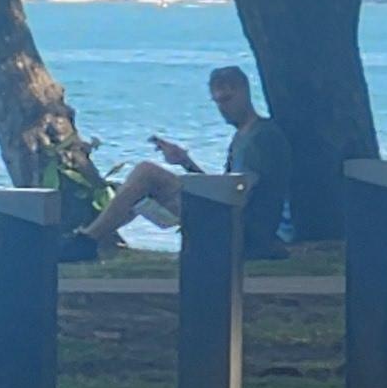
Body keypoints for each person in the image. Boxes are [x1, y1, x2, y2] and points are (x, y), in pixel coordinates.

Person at [62, 63, 293, 262]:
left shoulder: (262, 137)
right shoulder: (242, 137)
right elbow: (226, 191)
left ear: (244, 92)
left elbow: (241, 196)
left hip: (246, 232)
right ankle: (90, 239)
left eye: (227, 99)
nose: (223, 108)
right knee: (139, 186)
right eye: (218, 102)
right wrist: (185, 162)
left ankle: (86, 241)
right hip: (235, 222)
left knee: (146, 173)